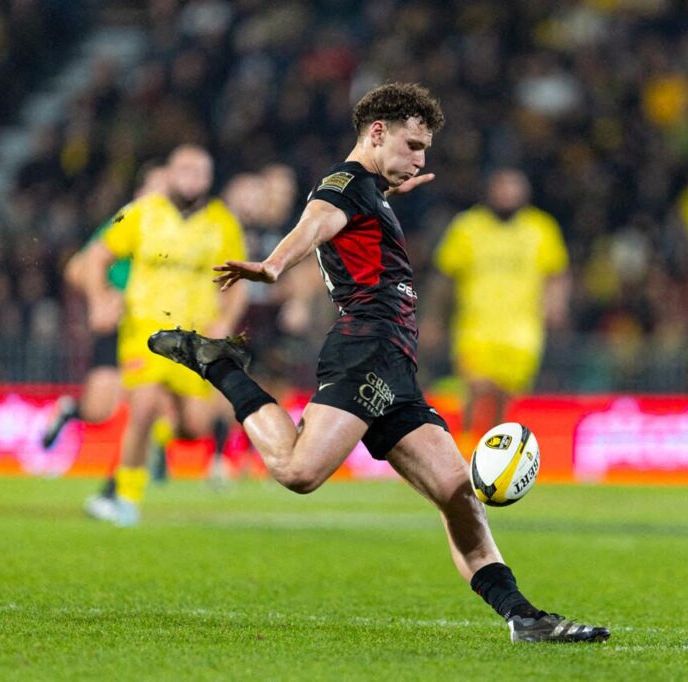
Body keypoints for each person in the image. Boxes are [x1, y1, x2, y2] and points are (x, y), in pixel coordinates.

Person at [147, 83, 609, 643]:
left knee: (457, 494)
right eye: (413, 146)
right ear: (378, 132)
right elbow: (317, 219)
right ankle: (219, 365)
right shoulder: (345, 184)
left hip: (396, 365)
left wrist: (394, 188)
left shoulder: (370, 191)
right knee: (298, 472)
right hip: (365, 350)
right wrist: (273, 265)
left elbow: (351, 223)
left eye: (425, 152)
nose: (419, 160)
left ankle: (523, 617)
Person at [84, 144, 248, 525]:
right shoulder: (139, 214)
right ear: (170, 173)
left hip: (196, 337)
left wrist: (226, 320)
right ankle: (125, 496)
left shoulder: (222, 223)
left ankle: (161, 438)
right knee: (141, 405)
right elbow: (96, 256)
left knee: (195, 427)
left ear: (209, 179)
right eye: (185, 169)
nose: (192, 178)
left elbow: (238, 280)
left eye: (200, 171)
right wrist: (98, 299)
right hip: (146, 329)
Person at [41, 163, 174, 518]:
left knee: (155, 407)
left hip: (156, 331)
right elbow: (76, 268)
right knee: (101, 411)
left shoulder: (179, 232)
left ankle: (117, 491)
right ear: (140, 193)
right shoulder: (125, 222)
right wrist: (101, 298)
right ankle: (73, 411)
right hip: (120, 327)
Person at [428, 168, 570, 447]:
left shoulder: (541, 228)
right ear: (490, 191)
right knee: (476, 388)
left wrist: (556, 304)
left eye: (513, 188)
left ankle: (491, 454)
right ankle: (465, 448)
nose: (507, 194)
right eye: (502, 187)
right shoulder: (467, 227)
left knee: (505, 397)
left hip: (523, 331)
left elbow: (557, 273)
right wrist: (433, 318)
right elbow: (444, 276)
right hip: (475, 328)